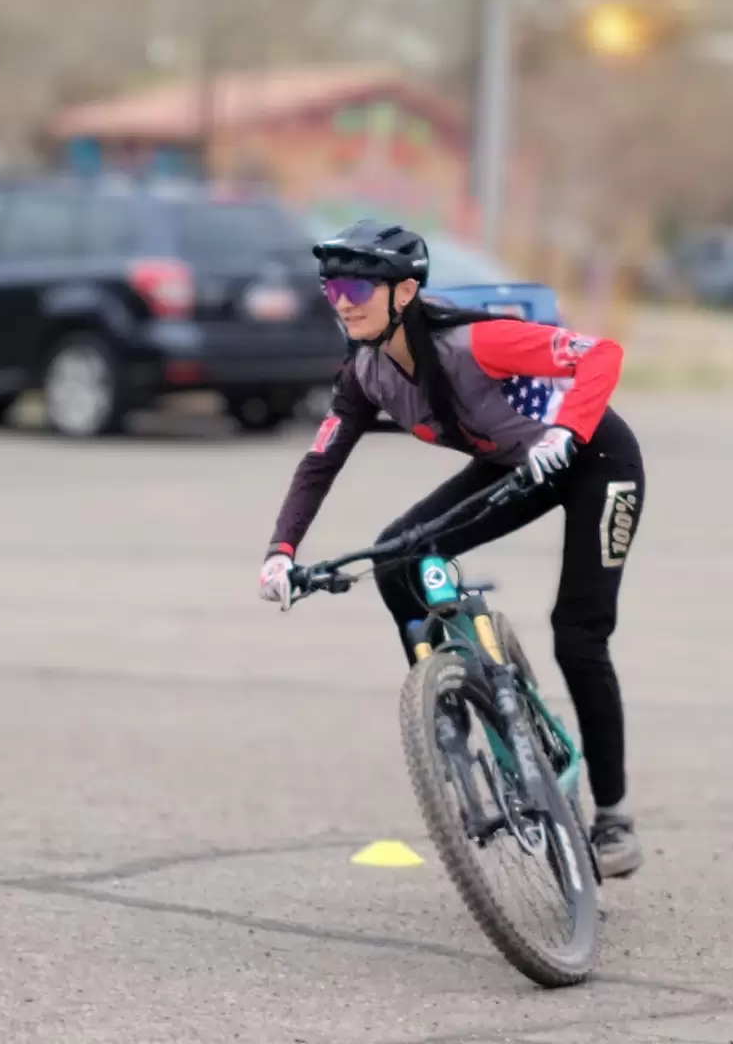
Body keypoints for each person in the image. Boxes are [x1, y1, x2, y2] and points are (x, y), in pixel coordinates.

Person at [257, 219, 646, 880]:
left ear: (405, 291)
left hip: (593, 459)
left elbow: (600, 354)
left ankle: (613, 816)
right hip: (508, 465)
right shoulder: (365, 372)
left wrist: (567, 433)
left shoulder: (476, 341)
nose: (342, 299)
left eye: (356, 285)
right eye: (332, 287)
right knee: (394, 558)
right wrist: (281, 551)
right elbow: (320, 460)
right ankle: (447, 698)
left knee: (578, 638)